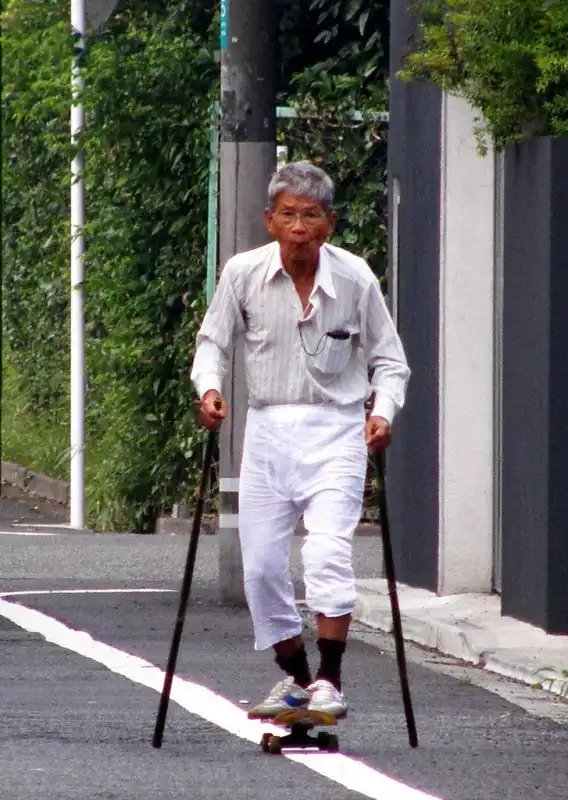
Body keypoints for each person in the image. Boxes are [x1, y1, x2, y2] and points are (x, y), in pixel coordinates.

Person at [191, 160, 410, 720]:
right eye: (288, 215)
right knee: (261, 568)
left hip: (336, 428)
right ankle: (297, 678)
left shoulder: (355, 278)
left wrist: (382, 412)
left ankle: (330, 680)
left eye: (311, 216)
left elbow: (389, 361)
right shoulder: (243, 274)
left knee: (327, 553)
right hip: (267, 430)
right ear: (269, 219)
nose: (299, 228)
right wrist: (209, 390)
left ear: (329, 222)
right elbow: (213, 342)